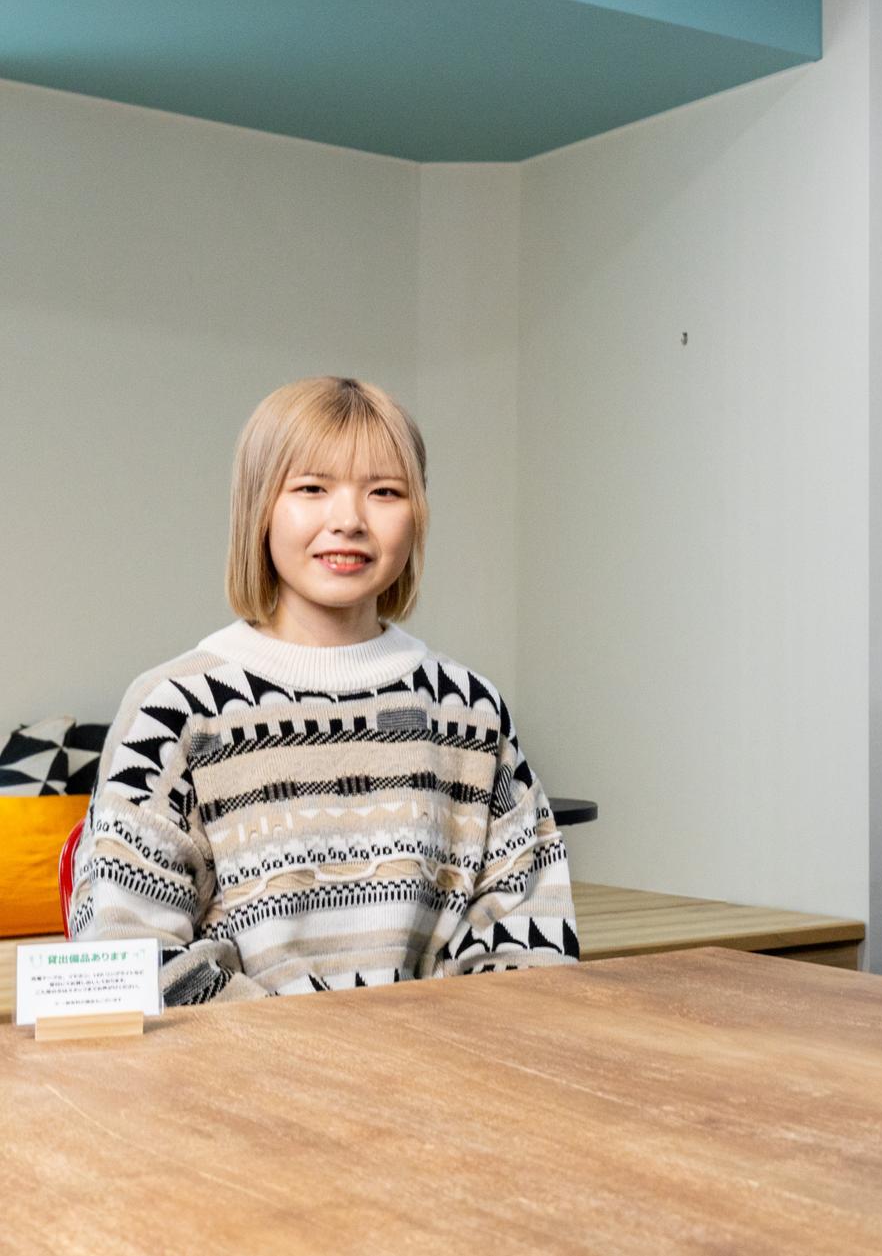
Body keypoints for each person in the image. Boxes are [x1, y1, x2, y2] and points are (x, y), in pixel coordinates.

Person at [69, 377, 578, 1003]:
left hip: (441, 1062)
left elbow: (529, 940)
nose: (349, 521)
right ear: (259, 507)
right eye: (312, 488)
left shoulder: (471, 711)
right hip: (235, 1067)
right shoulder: (174, 709)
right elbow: (128, 956)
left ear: (417, 514)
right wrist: (320, 1053)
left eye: (385, 492)